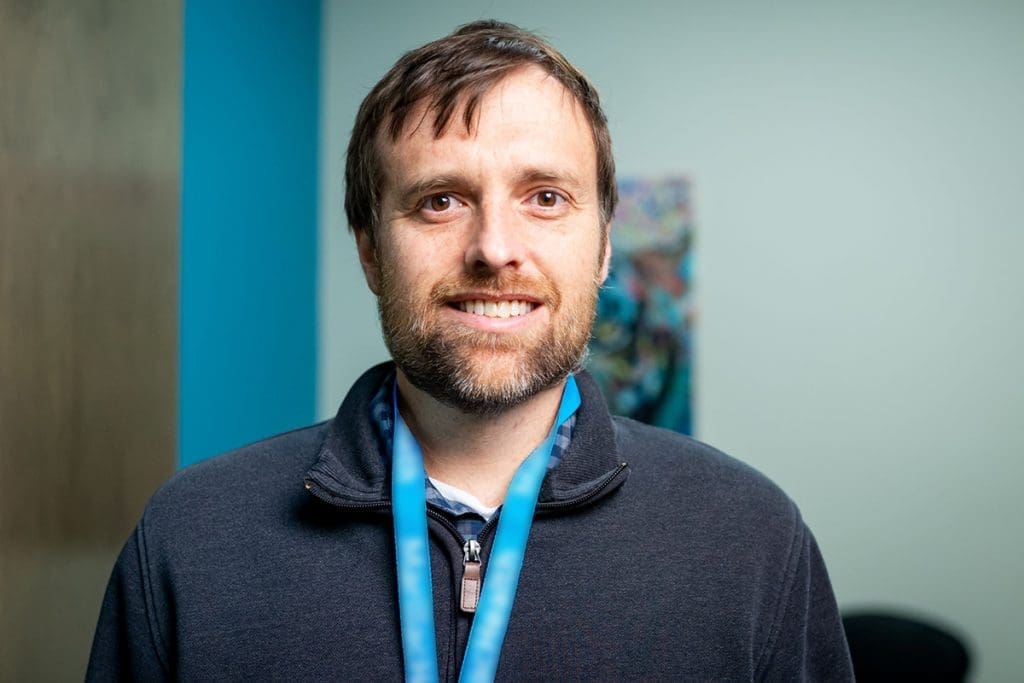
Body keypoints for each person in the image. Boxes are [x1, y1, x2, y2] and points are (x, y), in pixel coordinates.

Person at [87, 20, 853, 681]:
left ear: (604, 246)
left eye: (545, 197)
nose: (494, 249)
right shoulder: (191, 544)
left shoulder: (750, 542)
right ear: (370, 250)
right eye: (440, 200)